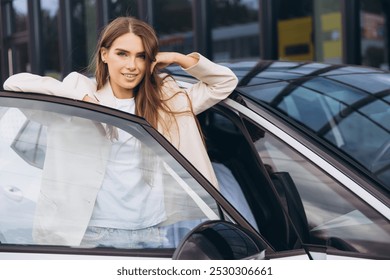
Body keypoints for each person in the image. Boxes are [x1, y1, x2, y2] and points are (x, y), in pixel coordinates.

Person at [3, 16, 238, 248]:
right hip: (92, 234)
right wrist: (81, 99)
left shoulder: (168, 100)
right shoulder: (78, 95)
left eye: (141, 56)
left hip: (151, 231)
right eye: (122, 54)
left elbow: (224, 83)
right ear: (105, 55)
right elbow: (14, 84)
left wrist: (177, 58)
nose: (132, 66)